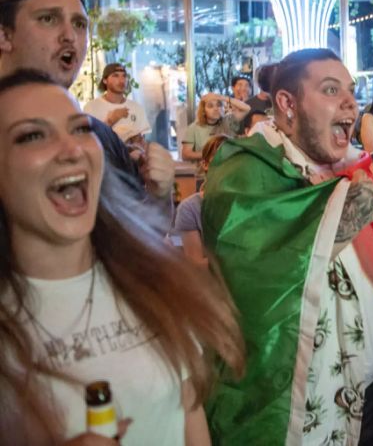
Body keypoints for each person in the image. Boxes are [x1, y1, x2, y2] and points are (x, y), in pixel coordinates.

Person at [203, 48, 373, 445]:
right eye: (331, 90)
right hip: (293, 395)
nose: (350, 102)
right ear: (287, 104)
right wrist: (361, 202)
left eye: (351, 90)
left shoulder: (350, 170)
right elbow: (259, 271)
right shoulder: (245, 169)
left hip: (369, 383)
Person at [0, 69, 244, 445]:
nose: (72, 149)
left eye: (81, 129)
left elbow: (190, 422)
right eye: (32, 136)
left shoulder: (153, 281)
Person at [0, 0, 174, 203]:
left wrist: (159, 196)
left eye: (79, 24)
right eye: (48, 19)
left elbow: (139, 231)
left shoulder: (101, 139)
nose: (70, 36)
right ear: (4, 35)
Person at [173, 135, 228, 266]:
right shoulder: (190, 209)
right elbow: (196, 266)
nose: (225, 162)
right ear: (205, 164)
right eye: (218, 156)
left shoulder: (246, 204)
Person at [83, 63, 150, 136]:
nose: (121, 80)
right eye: (115, 76)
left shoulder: (136, 108)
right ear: (105, 80)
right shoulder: (91, 107)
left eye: (124, 76)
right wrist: (111, 121)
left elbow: (142, 141)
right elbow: (88, 140)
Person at [180, 93, 249, 163]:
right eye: (210, 106)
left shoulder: (227, 121)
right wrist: (210, 154)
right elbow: (185, 154)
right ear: (203, 111)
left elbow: (246, 108)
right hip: (204, 171)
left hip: (228, 168)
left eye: (219, 105)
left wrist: (222, 98)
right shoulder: (193, 128)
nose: (216, 109)